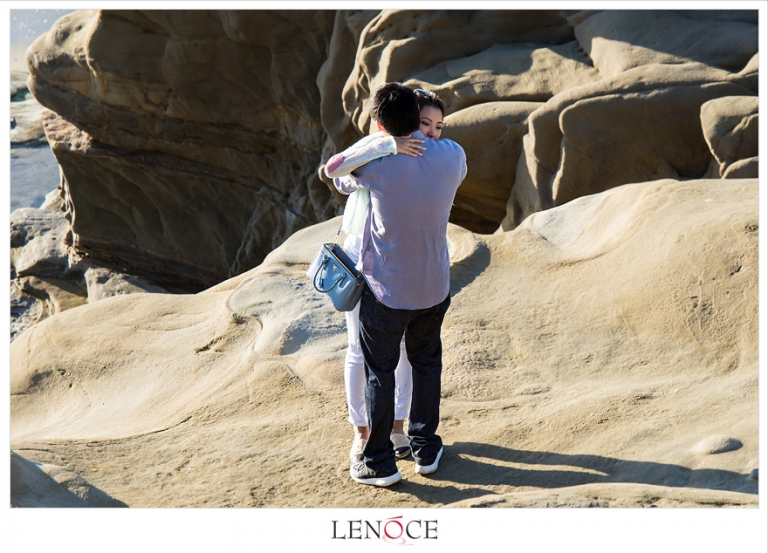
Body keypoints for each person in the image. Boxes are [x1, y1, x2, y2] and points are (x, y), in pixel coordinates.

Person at [332, 83, 466, 487]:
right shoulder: (454, 155)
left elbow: (335, 170)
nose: (431, 131)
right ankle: (425, 448)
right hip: (433, 285)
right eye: (425, 123)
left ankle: (377, 460)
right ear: (415, 121)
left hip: (385, 286)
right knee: (424, 363)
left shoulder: (379, 163)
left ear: (381, 125)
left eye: (437, 125)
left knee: (378, 369)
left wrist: (385, 145)